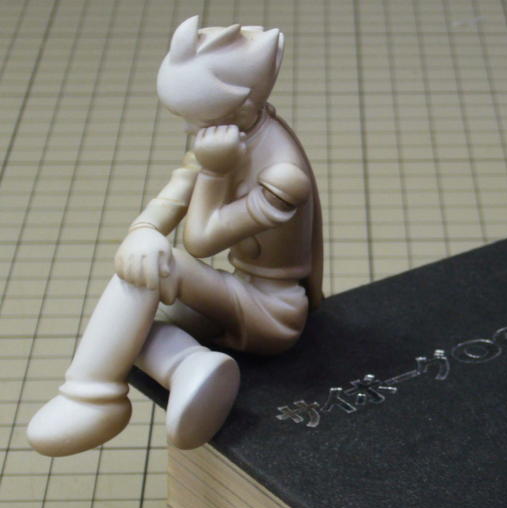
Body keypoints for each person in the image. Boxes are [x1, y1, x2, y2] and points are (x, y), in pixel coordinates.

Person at [27, 16, 323, 457]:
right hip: (236, 297)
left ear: (242, 107)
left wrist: (215, 171)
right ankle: (192, 367)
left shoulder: (282, 174)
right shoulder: (232, 131)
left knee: (154, 271)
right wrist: (144, 230)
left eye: (196, 117)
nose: (190, 130)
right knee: (125, 322)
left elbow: (200, 241)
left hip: (272, 314)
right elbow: (173, 194)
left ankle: (92, 397)